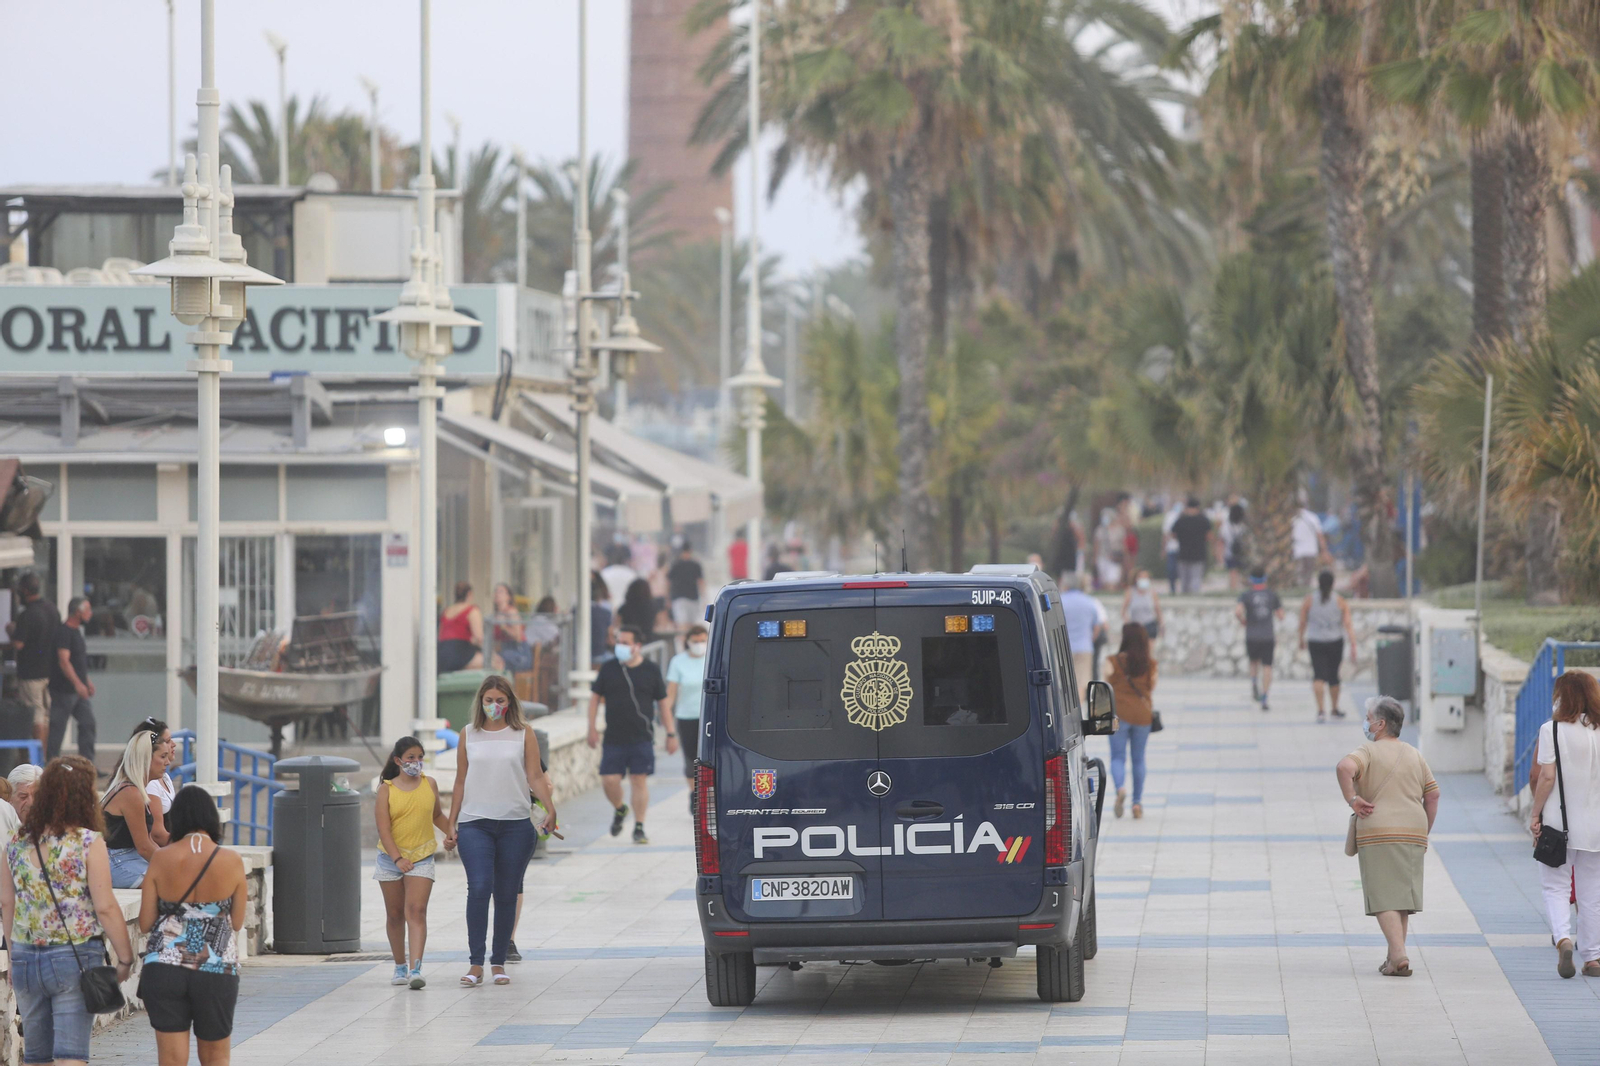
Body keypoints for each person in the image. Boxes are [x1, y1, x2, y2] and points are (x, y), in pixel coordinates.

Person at [1, 756, 137, 1066]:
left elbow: (7, 902)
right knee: (70, 1055)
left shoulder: (17, 841)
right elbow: (104, 906)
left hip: (25, 956)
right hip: (73, 955)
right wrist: (126, 956)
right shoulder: (88, 842)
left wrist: (13, 954)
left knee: (37, 1057)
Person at [447, 676, 558, 987]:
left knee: (507, 893)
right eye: (488, 700)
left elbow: (535, 775)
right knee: (479, 888)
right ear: (480, 702)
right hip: (474, 824)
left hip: (515, 825)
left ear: (510, 702)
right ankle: (475, 963)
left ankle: (498, 962)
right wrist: (452, 823)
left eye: (500, 700)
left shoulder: (523, 734)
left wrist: (550, 808)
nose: (494, 706)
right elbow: (460, 780)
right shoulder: (468, 734)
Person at [137, 786, 246, 1066]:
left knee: (171, 1060)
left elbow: (146, 922)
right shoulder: (232, 861)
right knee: (216, 1058)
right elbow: (237, 922)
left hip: (164, 966)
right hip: (216, 968)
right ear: (211, 817)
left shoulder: (161, 858)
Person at [1336, 696, 1439, 978]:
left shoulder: (1368, 751)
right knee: (1401, 897)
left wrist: (1352, 798)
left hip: (1378, 829)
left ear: (1380, 724)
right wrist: (1423, 830)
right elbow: (1433, 794)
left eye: (1368, 718)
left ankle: (1399, 954)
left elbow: (1345, 767)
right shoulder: (1414, 754)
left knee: (1383, 896)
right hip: (1413, 830)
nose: (1366, 723)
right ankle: (1394, 958)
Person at [1530, 672, 1600, 979]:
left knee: (1555, 886)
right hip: (1596, 827)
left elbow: (1546, 777)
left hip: (1560, 825)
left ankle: (1563, 939)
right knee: (1591, 893)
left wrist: (1535, 814)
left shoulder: (1552, 729)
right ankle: (1594, 957)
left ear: (1563, 696)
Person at [375, 736, 454, 990]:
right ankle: (399, 965)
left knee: (416, 911)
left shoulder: (429, 784)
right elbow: (384, 830)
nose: (416, 763)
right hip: (390, 860)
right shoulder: (386, 789)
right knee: (395, 914)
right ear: (398, 761)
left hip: (422, 857)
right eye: (410, 758)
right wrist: (397, 858)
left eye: (420, 758)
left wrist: (451, 834)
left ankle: (415, 968)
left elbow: (437, 815)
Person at [587, 626, 674, 845]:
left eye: (626, 642)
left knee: (639, 780)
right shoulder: (608, 669)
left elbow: (663, 704)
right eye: (619, 641)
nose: (621, 646)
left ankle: (639, 826)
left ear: (637, 646)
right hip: (614, 737)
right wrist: (591, 728)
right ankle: (620, 809)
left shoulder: (651, 670)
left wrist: (671, 733)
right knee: (609, 780)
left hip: (641, 737)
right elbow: (594, 699)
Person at [1106, 623, 1159, 820]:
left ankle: (1120, 788)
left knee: (1117, 757)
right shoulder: (1151, 664)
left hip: (1118, 715)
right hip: (1142, 716)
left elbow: (1106, 683)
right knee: (1139, 759)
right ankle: (1137, 803)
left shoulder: (1113, 661)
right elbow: (1151, 686)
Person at [102, 726, 164, 888]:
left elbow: (149, 842)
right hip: (117, 862)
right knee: (173, 884)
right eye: (162, 756)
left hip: (129, 858)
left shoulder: (133, 789)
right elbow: (144, 847)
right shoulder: (130, 793)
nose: (167, 762)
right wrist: (172, 866)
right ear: (146, 759)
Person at [6, 573, 59, 747]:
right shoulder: (52, 609)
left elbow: (19, 644)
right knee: (44, 715)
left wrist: (11, 631)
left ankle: (37, 759)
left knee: (35, 715)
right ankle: (43, 756)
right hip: (48, 671)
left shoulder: (27, 614)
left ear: (25, 591)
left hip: (30, 673)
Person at [1299, 571, 1358, 723]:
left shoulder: (1309, 600)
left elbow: (1302, 622)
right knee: (1333, 675)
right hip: (1335, 642)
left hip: (1315, 641)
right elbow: (1347, 624)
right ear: (1333, 584)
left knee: (1318, 674)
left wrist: (1300, 639)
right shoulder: (1340, 601)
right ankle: (1334, 708)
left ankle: (1320, 710)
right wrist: (1353, 643)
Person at [47, 596, 97, 762]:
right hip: (64, 690)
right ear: (77, 612)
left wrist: (87, 682)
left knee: (88, 723)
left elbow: (79, 662)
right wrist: (77, 684)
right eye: (87, 610)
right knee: (57, 728)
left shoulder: (77, 632)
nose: (90, 614)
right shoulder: (63, 632)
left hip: (78, 690)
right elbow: (64, 661)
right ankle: (51, 764)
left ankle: (87, 762)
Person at [665, 624, 709, 803]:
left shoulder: (712, 658)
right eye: (695, 641)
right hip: (686, 717)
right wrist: (667, 723)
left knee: (709, 757)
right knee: (691, 758)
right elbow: (670, 695)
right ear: (688, 642)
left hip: (709, 717)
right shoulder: (678, 662)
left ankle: (709, 793)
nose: (699, 645)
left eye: (703, 641)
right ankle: (695, 795)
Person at [1235, 570, 1283, 711]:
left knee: (1253, 661)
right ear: (1264, 579)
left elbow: (1238, 611)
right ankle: (1265, 697)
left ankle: (1254, 682)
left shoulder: (1246, 595)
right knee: (1267, 666)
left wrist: (1243, 621)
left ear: (1251, 580)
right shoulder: (1272, 595)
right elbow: (1281, 615)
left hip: (1252, 635)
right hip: (1267, 636)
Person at [1058, 573, 1105, 702]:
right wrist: (1090, 640)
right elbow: (1097, 626)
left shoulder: (1059, 601)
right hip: (1084, 647)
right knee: (1081, 681)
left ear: (1066, 585)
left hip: (1062, 647)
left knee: (1064, 681)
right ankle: (1078, 712)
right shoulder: (1089, 602)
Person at [437, 582, 485, 674]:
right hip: (460, 651)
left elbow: (441, 635)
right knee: (492, 663)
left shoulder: (446, 611)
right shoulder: (472, 610)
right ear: (469, 594)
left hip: (442, 655)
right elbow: (479, 638)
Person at [1170, 497, 1213, 594]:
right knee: (1196, 578)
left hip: (1183, 553)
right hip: (1199, 553)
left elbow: (1173, 535)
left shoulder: (1181, 520)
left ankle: (1185, 595)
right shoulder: (1204, 520)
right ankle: (1194, 595)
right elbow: (1209, 536)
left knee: (1184, 579)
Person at [488, 584, 533, 674]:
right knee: (489, 660)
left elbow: (518, 637)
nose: (497, 594)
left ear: (508, 597)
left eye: (500, 592)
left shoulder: (511, 612)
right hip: (503, 651)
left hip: (518, 653)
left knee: (497, 661)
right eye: (496, 591)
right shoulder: (496, 615)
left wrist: (504, 626)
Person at [667, 544, 706, 632]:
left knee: (683, 624)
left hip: (680, 597)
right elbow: (701, 582)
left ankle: (684, 643)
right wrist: (704, 598)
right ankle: (687, 644)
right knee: (688, 624)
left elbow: (669, 582)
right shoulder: (695, 565)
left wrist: (668, 598)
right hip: (690, 597)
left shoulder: (675, 564)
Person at [1292, 503, 1329, 587]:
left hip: (1297, 551)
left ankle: (1300, 589)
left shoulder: (1293, 518)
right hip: (1311, 551)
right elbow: (1319, 534)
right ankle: (1305, 589)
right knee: (1308, 574)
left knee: (1299, 573)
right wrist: (1324, 550)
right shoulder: (1312, 517)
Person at [1121, 570, 1163, 641]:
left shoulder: (1152, 593)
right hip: (1136, 625)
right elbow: (1123, 610)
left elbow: (1157, 609)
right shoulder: (1130, 592)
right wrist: (1127, 622)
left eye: (1145, 577)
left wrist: (1161, 624)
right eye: (1141, 577)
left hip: (1149, 624)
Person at [600, 545, 640, 609]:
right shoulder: (632, 575)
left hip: (607, 610)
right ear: (626, 560)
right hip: (628, 611)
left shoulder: (604, 574)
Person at [589, 571, 614, 667]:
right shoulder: (605, 611)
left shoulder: (574, 611)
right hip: (598, 656)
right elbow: (610, 638)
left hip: (575, 656)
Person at [1222, 503, 1250, 590]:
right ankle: (1241, 588)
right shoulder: (1244, 526)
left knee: (1232, 572)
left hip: (1229, 552)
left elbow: (1221, 540)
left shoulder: (1226, 526)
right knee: (1242, 572)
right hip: (1243, 553)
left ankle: (1233, 588)